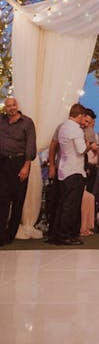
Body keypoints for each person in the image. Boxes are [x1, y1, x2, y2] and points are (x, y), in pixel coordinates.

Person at [0, 97, 37, 246]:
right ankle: (1, 235)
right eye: (8, 106)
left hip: (19, 164)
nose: (11, 108)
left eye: (13, 105)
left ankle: (10, 235)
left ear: (17, 105)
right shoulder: (1, 121)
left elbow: (30, 146)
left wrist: (26, 166)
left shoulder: (27, 122)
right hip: (2, 163)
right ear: (5, 108)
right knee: (2, 200)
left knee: (17, 200)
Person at [53, 103, 89, 245]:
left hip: (63, 169)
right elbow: (81, 150)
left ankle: (58, 233)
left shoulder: (63, 127)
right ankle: (66, 235)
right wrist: (89, 146)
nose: (84, 120)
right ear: (79, 116)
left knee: (63, 204)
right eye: (83, 117)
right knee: (71, 206)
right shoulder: (76, 129)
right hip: (75, 170)